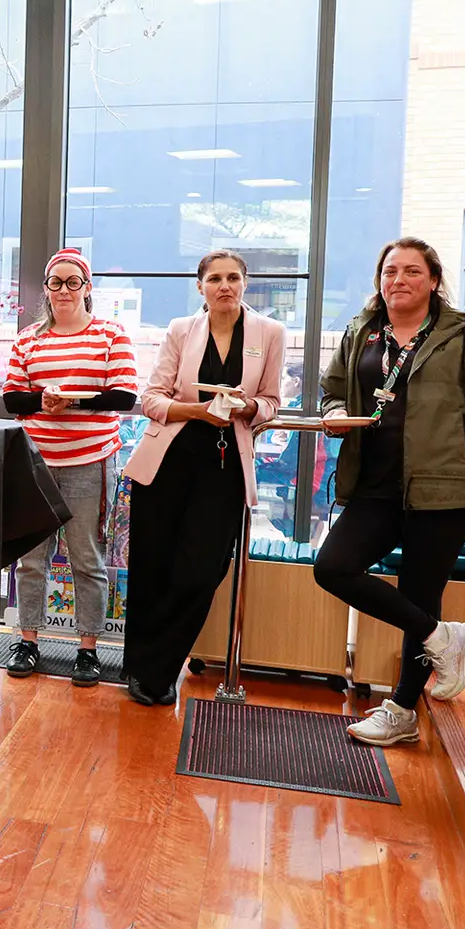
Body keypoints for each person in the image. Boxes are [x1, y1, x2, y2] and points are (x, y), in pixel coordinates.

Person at [314, 238, 465, 747]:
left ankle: (403, 710)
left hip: (445, 488)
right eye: (390, 271)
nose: (399, 280)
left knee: (419, 593)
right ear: (379, 280)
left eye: (412, 271)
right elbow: (332, 389)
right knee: (333, 567)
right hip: (374, 484)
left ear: (433, 280)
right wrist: (334, 411)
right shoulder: (362, 330)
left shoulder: (464, 334)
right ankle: (443, 637)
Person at [121, 250, 284, 706]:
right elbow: (151, 398)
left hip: (224, 469)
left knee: (200, 573)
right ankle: (144, 671)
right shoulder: (180, 329)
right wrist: (197, 411)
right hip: (167, 463)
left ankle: (159, 665)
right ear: (201, 287)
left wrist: (248, 407)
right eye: (214, 279)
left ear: (245, 283)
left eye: (233, 278)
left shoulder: (270, 333)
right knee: (153, 569)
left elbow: (272, 401)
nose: (224, 286)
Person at [1, 248, 137, 685]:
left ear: (87, 288)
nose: (63, 290)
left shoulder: (111, 335)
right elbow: (12, 398)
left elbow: (124, 396)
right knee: (31, 559)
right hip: (36, 462)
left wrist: (71, 400)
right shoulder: (28, 339)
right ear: (45, 289)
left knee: (86, 557)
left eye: (72, 282)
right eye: (55, 282)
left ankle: (88, 649)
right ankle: (27, 641)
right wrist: (43, 401)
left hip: (90, 462)